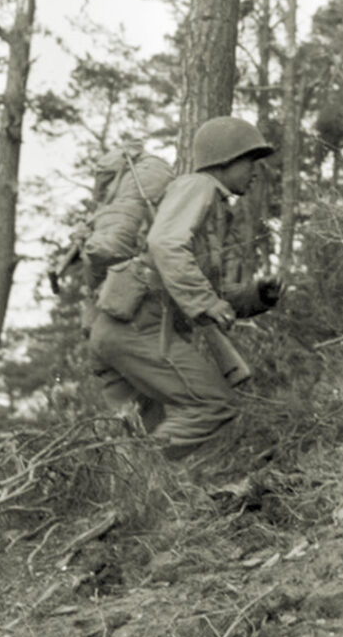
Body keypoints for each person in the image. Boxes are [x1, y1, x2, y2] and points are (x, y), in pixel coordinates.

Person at [88, 116, 283, 458]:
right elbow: (165, 243)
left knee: (135, 437)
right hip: (140, 328)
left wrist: (255, 297)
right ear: (225, 160)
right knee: (213, 405)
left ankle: (131, 500)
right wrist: (205, 302)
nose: (256, 172)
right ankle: (143, 479)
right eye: (249, 162)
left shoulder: (214, 207)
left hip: (116, 329)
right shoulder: (200, 187)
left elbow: (207, 286)